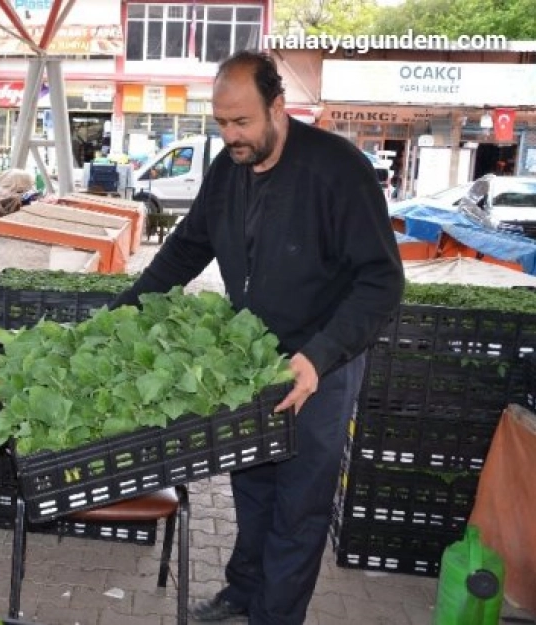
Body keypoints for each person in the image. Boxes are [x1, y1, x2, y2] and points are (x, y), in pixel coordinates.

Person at [112, 51, 404, 624]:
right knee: (252, 485)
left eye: (242, 122)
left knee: (299, 507)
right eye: (221, 123)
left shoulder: (338, 170)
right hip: (253, 362)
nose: (231, 136)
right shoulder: (229, 169)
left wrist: (318, 357)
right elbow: (187, 247)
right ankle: (243, 593)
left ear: (278, 107)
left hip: (320, 366)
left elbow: (382, 281)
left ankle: (275, 616)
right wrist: (121, 311)